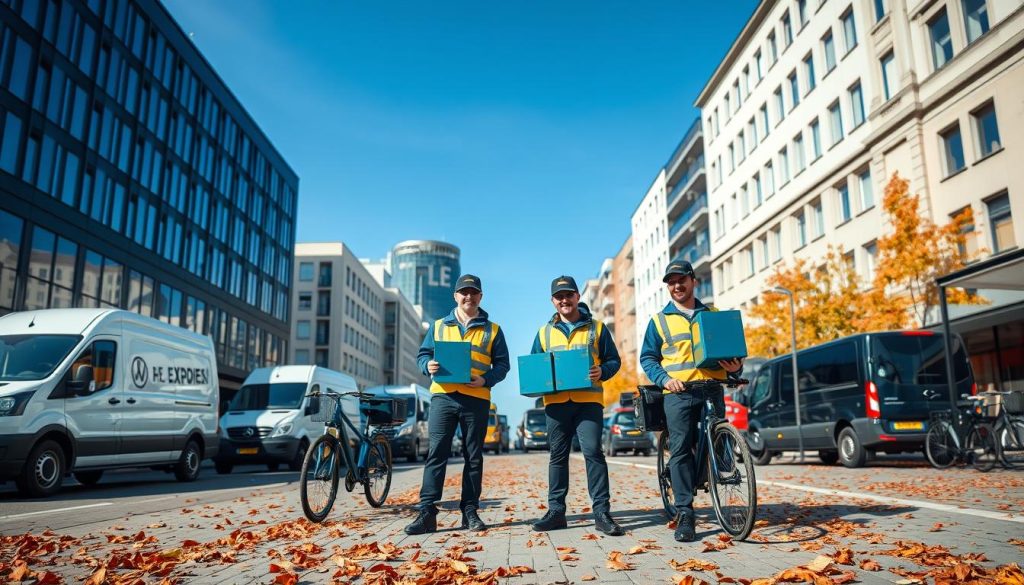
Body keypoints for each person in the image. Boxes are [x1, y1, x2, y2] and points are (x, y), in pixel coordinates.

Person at [640, 261, 743, 542]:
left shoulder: (714, 315)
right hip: (679, 392)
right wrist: (664, 380)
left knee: (720, 436)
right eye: (671, 282)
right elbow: (648, 358)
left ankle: (722, 473)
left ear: (693, 281)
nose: (676, 286)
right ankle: (685, 512)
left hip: (711, 388)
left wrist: (736, 369)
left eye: (681, 280)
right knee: (681, 447)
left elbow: (733, 353)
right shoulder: (659, 321)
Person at [404, 274, 511, 535]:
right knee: (436, 453)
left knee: (473, 456)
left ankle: (470, 511)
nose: (468, 296)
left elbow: (502, 365)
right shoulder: (439, 325)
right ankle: (427, 512)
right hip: (443, 396)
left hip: (477, 399)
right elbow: (423, 354)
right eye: (464, 292)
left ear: (480, 297)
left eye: (473, 292)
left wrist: (485, 379)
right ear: (456, 296)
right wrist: (425, 366)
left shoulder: (493, 330)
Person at [529, 276, 624, 536]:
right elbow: (535, 367)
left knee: (593, 452)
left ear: (577, 297)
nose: (564, 300)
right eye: (559, 296)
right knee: (557, 456)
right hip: (556, 404)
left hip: (588, 403)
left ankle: (602, 513)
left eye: (569, 294)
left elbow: (615, 361)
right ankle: (556, 512)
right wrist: (535, 383)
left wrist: (602, 371)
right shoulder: (543, 332)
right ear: (553, 301)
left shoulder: (598, 328)